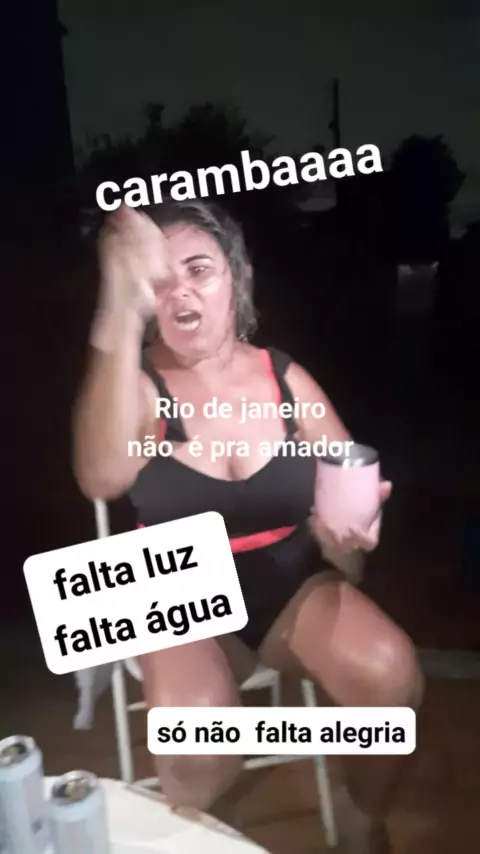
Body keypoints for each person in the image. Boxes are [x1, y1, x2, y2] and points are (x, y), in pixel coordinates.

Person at [72, 200, 423, 853]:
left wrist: (344, 540)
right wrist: (117, 309)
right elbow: (99, 476)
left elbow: (349, 535)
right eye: (158, 280)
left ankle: (360, 816)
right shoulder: (139, 384)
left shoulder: (288, 381)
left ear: (237, 276)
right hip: (178, 589)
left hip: (290, 581)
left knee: (390, 674)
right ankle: (193, 831)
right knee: (197, 740)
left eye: (199, 270)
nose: (179, 291)